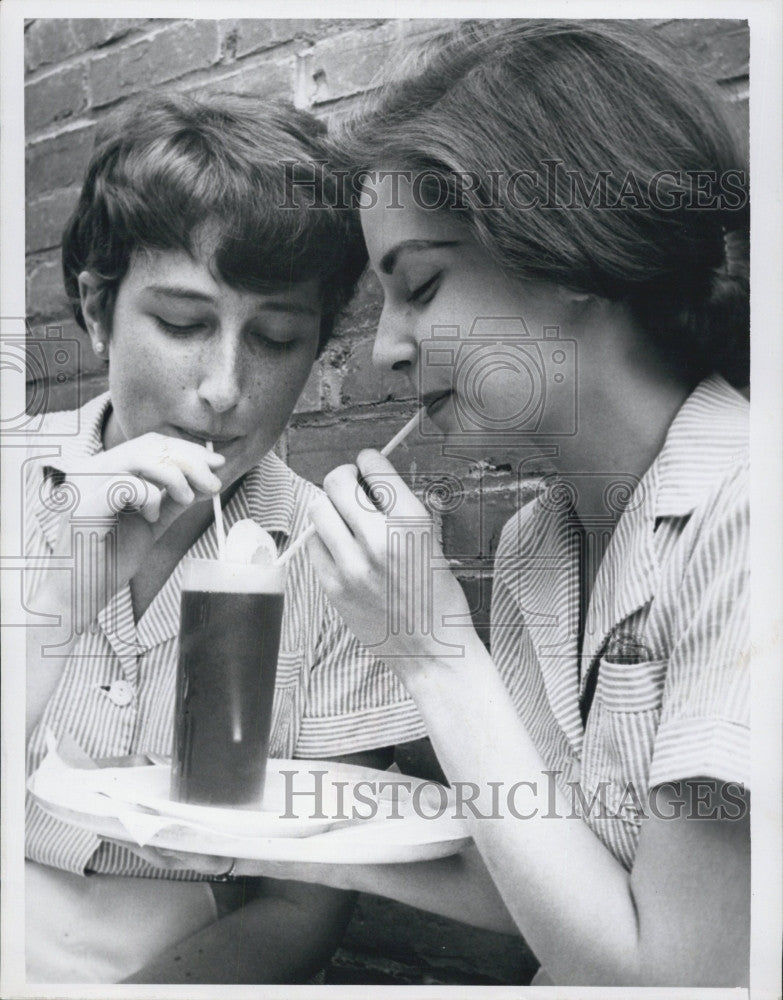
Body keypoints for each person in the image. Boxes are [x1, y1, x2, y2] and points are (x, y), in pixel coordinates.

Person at [151, 20, 751, 987]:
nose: (388, 348)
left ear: (568, 253)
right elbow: (533, 871)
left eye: (420, 285)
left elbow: (673, 975)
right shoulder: (535, 546)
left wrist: (431, 650)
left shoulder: (749, 514)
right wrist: (238, 832)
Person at [23, 91, 427, 984]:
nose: (222, 388)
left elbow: (303, 901)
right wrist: (55, 601)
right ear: (96, 309)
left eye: (277, 338)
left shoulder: (336, 561)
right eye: (182, 323)